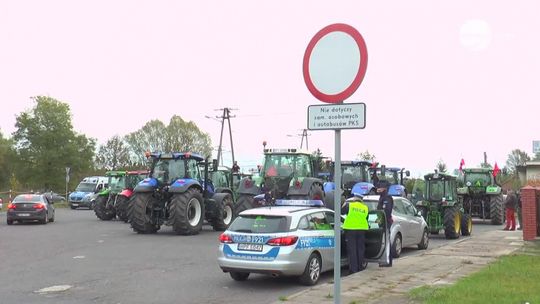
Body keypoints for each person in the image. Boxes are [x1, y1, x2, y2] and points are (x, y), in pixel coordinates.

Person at [342, 194, 369, 274]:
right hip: (362, 230)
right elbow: (367, 218)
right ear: (361, 200)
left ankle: (353, 270)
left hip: (351, 229)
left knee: (352, 250)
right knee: (360, 249)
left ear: (354, 199)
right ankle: (360, 267)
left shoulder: (349, 205)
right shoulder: (365, 208)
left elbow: (342, 212)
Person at [377, 181, 394, 267]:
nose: (378, 189)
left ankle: (387, 261)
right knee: (384, 241)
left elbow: (386, 211)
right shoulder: (382, 197)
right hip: (383, 222)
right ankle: (384, 259)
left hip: (386, 222)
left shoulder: (387, 198)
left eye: (380, 188)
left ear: (384, 189)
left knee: (386, 241)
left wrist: (382, 220)